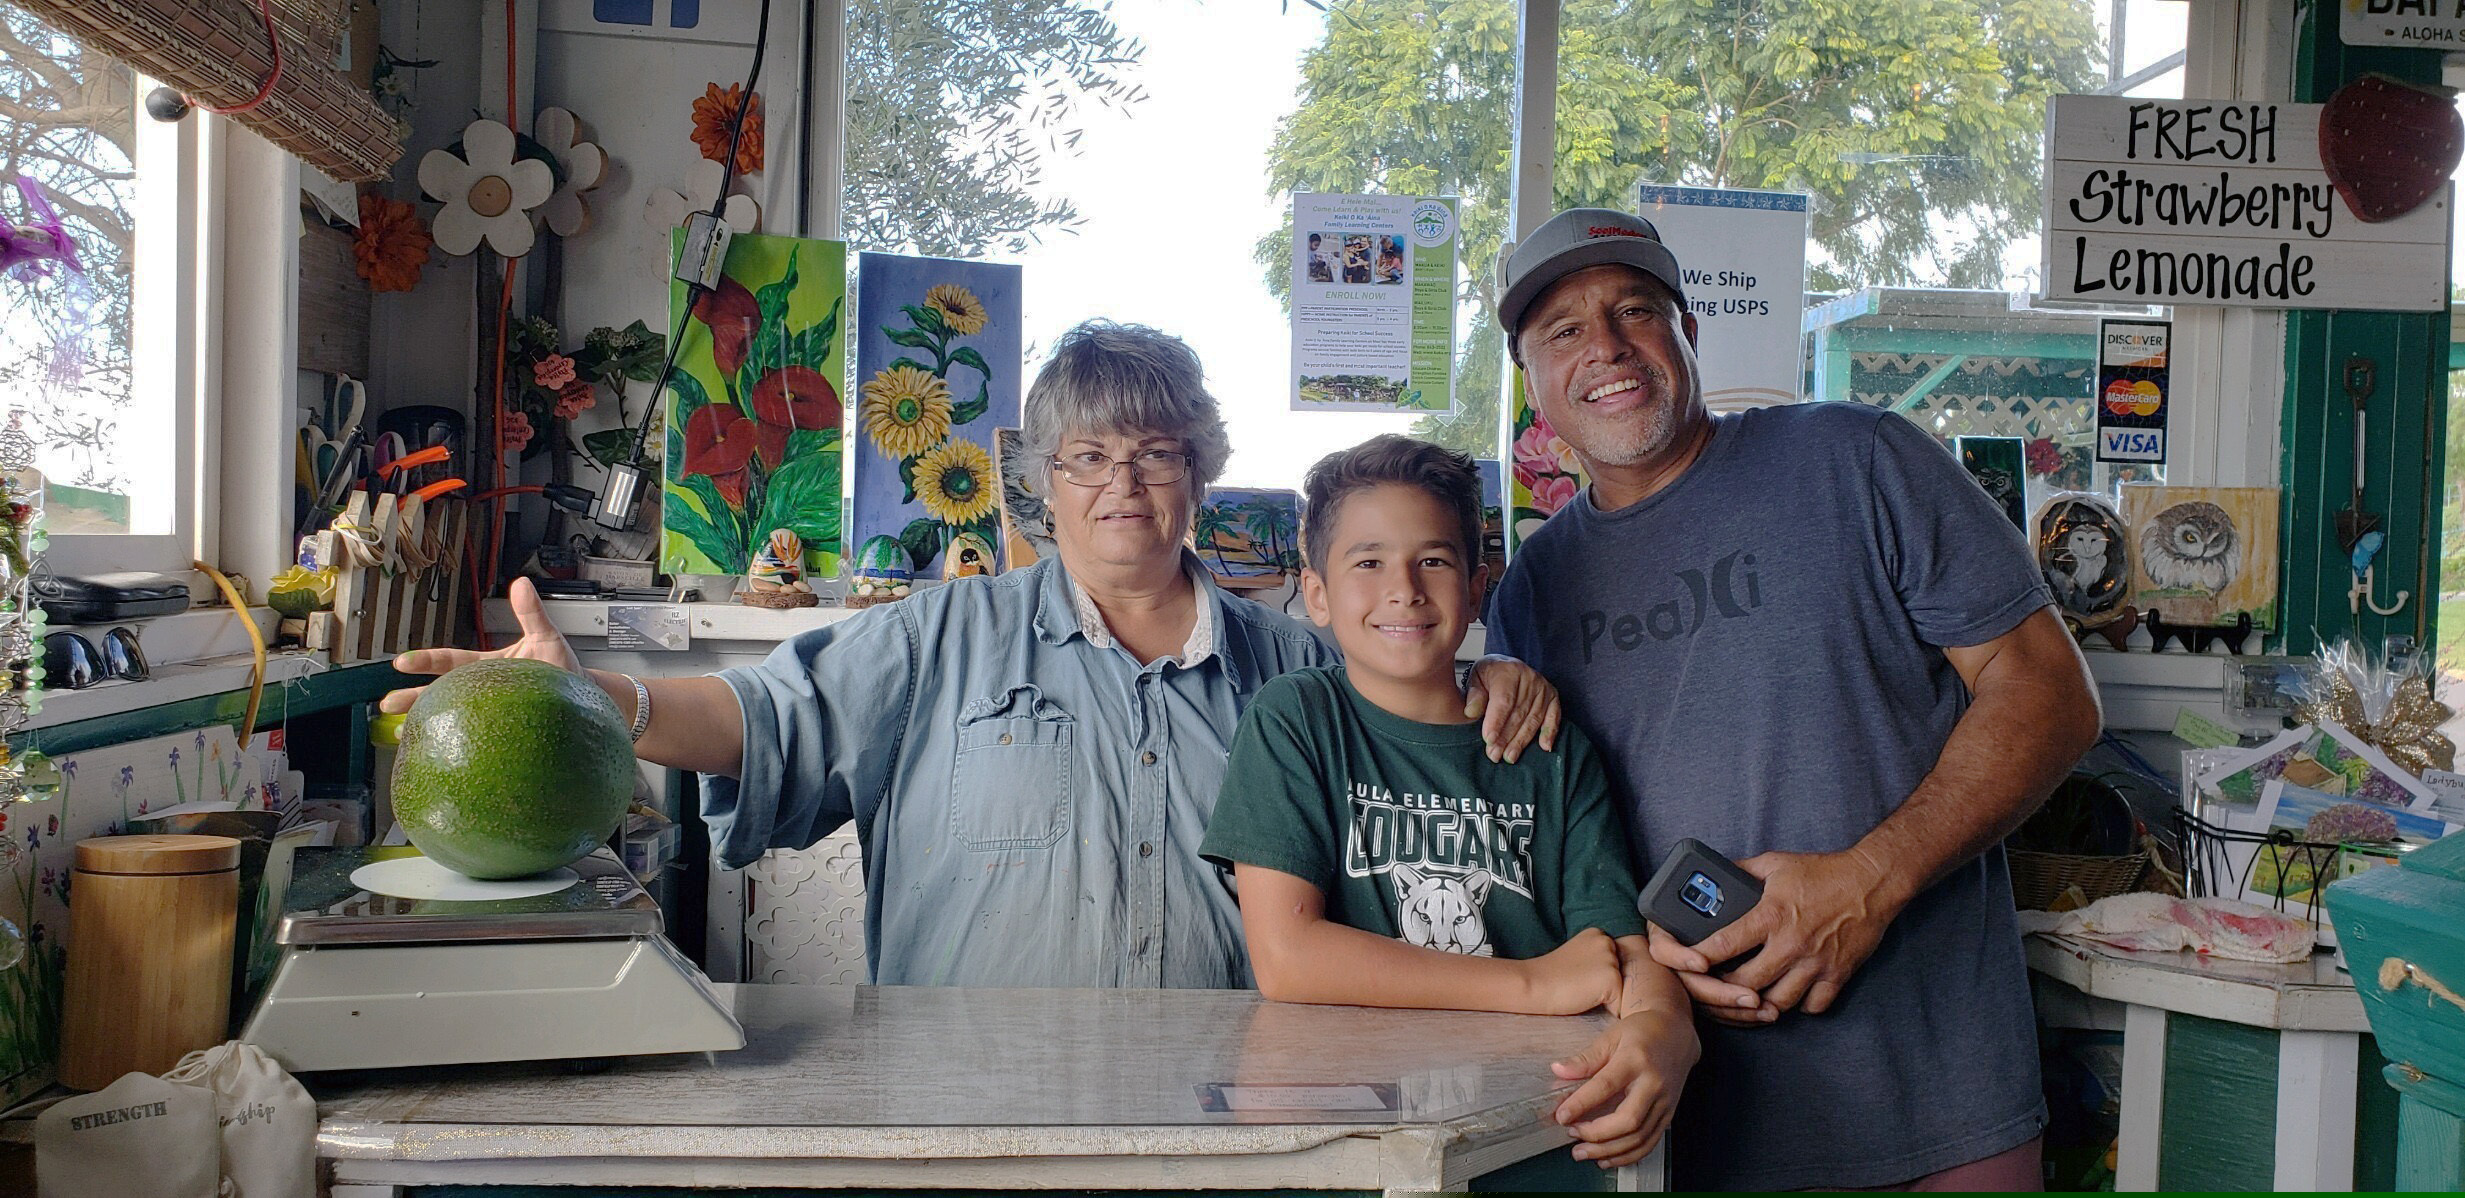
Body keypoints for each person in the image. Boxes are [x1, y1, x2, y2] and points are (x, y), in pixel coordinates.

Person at [383, 319, 1563, 990]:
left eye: (1155, 454)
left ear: (1198, 474)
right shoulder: (934, 638)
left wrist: (1484, 681)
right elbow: (761, 720)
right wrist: (593, 700)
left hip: (1233, 1111)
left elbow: (1416, 752)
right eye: (1087, 458)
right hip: (968, 1109)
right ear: (1043, 484)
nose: (1123, 487)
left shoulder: (1293, 675)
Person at [1481, 208, 2102, 1191]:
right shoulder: (1529, 590)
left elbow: (2049, 694)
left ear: (1686, 333)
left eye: (1633, 309)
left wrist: (1870, 877)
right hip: (1684, 1125)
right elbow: (1546, 841)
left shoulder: (1857, 459)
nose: (1602, 346)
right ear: (1531, 385)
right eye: (1560, 329)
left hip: (1936, 1102)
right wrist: (1630, 953)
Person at [1200, 435, 1695, 1169]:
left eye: (1432, 559)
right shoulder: (1297, 718)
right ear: (1316, 593)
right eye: (1367, 562)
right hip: (1343, 1140)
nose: (1403, 587)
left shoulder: (1550, 750)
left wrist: (1666, 1030)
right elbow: (1288, 956)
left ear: (1476, 584)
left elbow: (1617, 951)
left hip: (1531, 1130)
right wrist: (1532, 983)